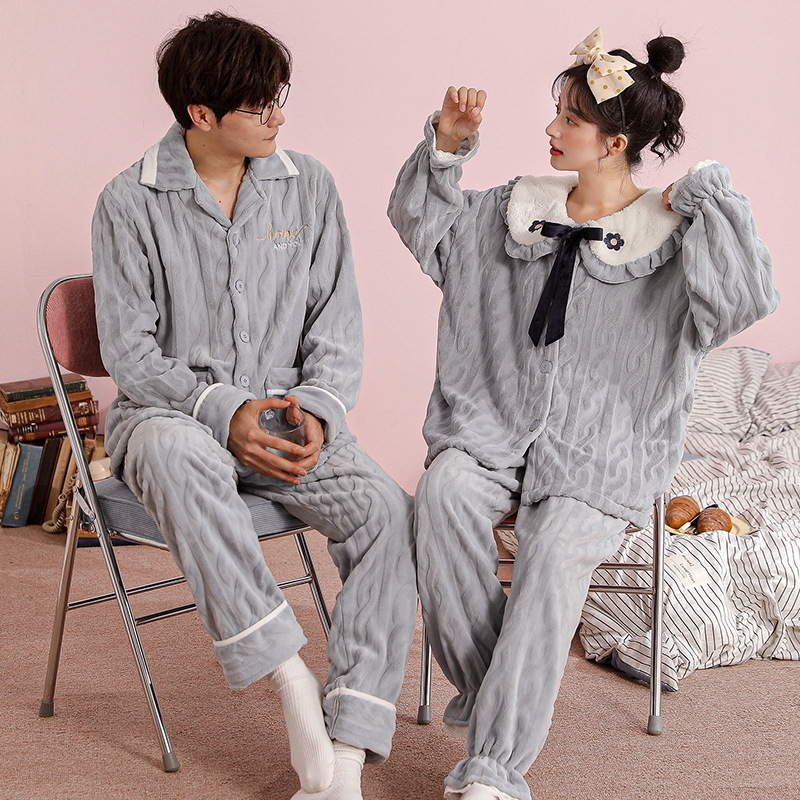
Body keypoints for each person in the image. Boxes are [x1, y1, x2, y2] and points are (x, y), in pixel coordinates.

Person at [388, 27, 777, 800]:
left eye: (569, 118)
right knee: (442, 494)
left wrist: (709, 195)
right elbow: (425, 226)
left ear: (615, 142)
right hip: (492, 426)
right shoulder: (514, 209)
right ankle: (497, 691)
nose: (551, 128)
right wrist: (447, 147)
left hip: (605, 449)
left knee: (556, 546)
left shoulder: (671, 237)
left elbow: (741, 300)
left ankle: (493, 768)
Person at [92, 12, 416, 799]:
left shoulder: (310, 185)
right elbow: (130, 355)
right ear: (201, 113)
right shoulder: (128, 201)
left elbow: (336, 325)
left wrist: (317, 410)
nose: (278, 117)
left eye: (280, 97)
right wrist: (223, 408)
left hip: (285, 419)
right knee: (178, 452)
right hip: (169, 415)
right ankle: (288, 677)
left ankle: (346, 748)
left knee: (385, 509)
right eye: (258, 104)